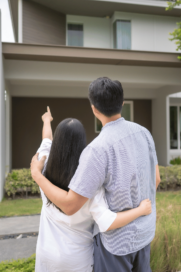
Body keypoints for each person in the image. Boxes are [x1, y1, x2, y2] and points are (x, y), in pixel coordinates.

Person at [31, 77, 161, 272]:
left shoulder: (97, 150)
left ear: (94, 108)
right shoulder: (144, 133)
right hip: (144, 233)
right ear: (122, 103)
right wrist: (140, 209)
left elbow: (70, 204)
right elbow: (156, 179)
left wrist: (37, 175)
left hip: (117, 244)